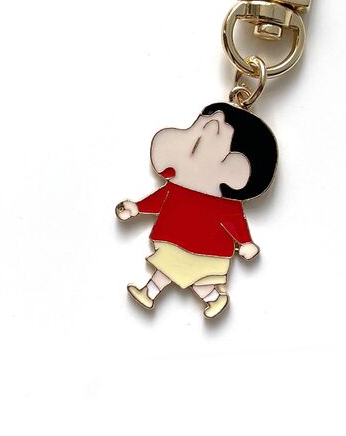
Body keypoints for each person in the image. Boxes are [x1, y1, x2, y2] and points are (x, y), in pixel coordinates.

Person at [116, 103, 278, 318]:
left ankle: (200, 297)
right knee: (176, 271)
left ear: (237, 169)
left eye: (197, 144)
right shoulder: (178, 187)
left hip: (206, 248)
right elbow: (159, 200)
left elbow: (234, 221)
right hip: (176, 239)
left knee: (187, 275)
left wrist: (245, 242)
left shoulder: (224, 203)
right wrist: (137, 207)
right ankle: (206, 298)